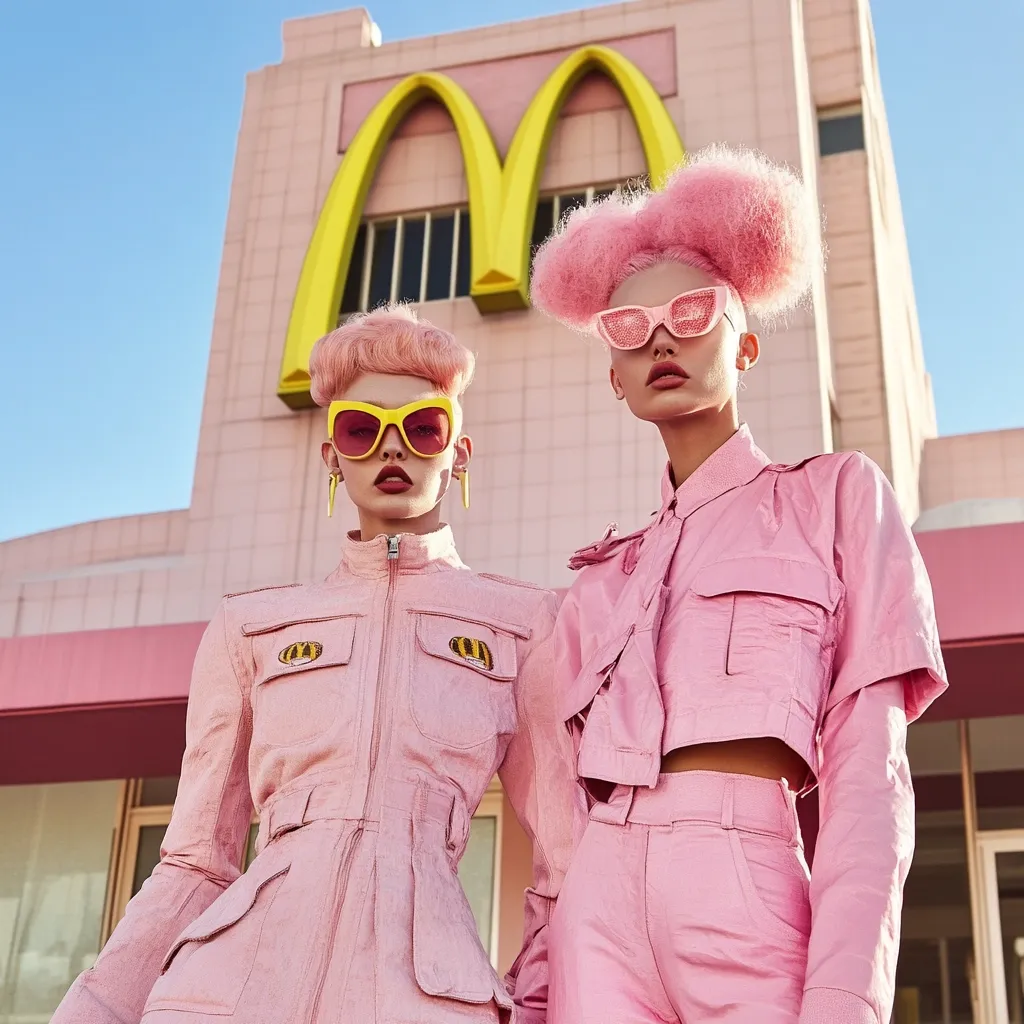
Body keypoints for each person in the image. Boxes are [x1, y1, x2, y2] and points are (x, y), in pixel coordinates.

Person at [52, 305, 580, 1024]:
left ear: (458, 451)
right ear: (333, 455)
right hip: (222, 995)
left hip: (427, 999)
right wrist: (97, 1011)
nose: (392, 449)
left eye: (422, 426)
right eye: (361, 429)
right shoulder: (252, 629)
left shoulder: (525, 626)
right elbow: (194, 861)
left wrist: (548, 1006)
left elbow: (565, 864)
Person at [529, 146, 947, 1024]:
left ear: (745, 341)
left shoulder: (834, 498)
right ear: (614, 377)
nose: (662, 339)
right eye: (629, 329)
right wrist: (534, 997)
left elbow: (870, 771)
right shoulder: (597, 584)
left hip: (745, 878)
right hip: (595, 911)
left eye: (690, 312)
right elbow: (556, 844)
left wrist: (845, 997)